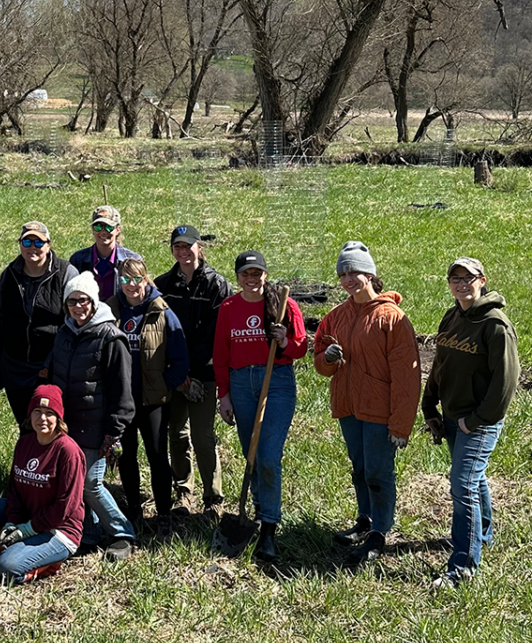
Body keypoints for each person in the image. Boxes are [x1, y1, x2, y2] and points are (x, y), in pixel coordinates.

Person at [314, 242, 421, 566]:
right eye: (343, 273)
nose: (348, 278)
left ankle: (380, 532)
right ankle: (365, 520)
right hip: (348, 407)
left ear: (370, 274)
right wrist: (327, 358)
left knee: (378, 472)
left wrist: (401, 426)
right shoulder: (335, 317)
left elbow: (408, 378)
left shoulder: (393, 319)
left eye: (354, 271)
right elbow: (320, 360)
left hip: (379, 411)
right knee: (360, 468)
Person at [422, 257, 519, 588]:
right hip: (452, 414)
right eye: (455, 279)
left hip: (478, 420)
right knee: (473, 481)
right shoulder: (452, 316)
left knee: (462, 484)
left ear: (482, 280)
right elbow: (441, 363)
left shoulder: (495, 325)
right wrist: (429, 405)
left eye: (468, 278)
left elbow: (506, 382)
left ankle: (463, 566)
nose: (461, 284)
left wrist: (476, 421)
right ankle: (484, 534)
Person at [213, 250, 307, 562]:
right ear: (237, 277)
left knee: (267, 455)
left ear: (265, 275)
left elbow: (301, 347)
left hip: (276, 380)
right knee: (250, 453)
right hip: (241, 384)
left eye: (257, 274)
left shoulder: (282, 304)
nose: (251, 280)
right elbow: (221, 354)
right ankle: (257, 508)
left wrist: (283, 341)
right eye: (245, 274)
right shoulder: (229, 307)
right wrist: (223, 395)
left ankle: (269, 526)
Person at [47, 271, 136, 561]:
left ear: (94, 302)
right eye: (72, 301)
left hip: (96, 426)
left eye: (83, 300)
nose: (78, 307)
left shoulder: (111, 337)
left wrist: (114, 431)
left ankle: (123, 533)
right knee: (75, 483)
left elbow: (122, 390)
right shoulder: (65, 333)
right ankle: (90, 533)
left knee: (91, 485)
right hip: (67, 424)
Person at [0, 385, 86, 584]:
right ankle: (11, 545)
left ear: (59, 418)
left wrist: (28, 529)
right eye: (37, 412)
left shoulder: (68, 451)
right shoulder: (25, 443)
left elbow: (65, 507)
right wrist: (12, 522)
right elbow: (13, 489)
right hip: (28, 517)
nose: (43, 418)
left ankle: (47, 563)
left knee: (7, 568)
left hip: (59, 530)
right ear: (29, 416)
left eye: (50, 413)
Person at [153, 225, 233, 518]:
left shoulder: (216, 285)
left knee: (202, 435)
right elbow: (159, 332)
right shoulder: (163, 285)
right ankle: (183, 494)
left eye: (189, 246)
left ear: (200, 247)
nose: (183, 252)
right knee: (177, 434)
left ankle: (213, 498)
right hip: (174, 374)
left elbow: (216, 335)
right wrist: (179, 374)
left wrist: (193, 374)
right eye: (178, 247)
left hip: (205, 373)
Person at [108, 258, 190, 534]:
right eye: (125, 280)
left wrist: (164, 385)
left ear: (146, 279)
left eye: (136, 279)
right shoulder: (110, 309)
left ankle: (164, 513)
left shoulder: (162, 311)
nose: (131, 285)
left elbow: (181, 360)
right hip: (122, 400)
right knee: (127, 455)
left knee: (157, 455)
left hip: (153, 400)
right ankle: (133, 509)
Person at [0, 221, 78, 426]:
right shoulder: (9, 274)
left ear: (48, 245)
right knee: (25, 425)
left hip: (51, 367)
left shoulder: (66, 273)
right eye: (27, 241)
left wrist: (52, 362)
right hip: (15, 366)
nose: (32, 247)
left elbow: (73, 325)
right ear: (20, 244)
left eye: (38, 242)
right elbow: (0, 321)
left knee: (52, 427)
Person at [69, 205, 142, 301]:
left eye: (109, 227)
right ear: (92, 230)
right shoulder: (78, 259)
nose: (103, 232)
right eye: (98, 227)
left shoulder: (132, 260)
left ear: (118, 230)